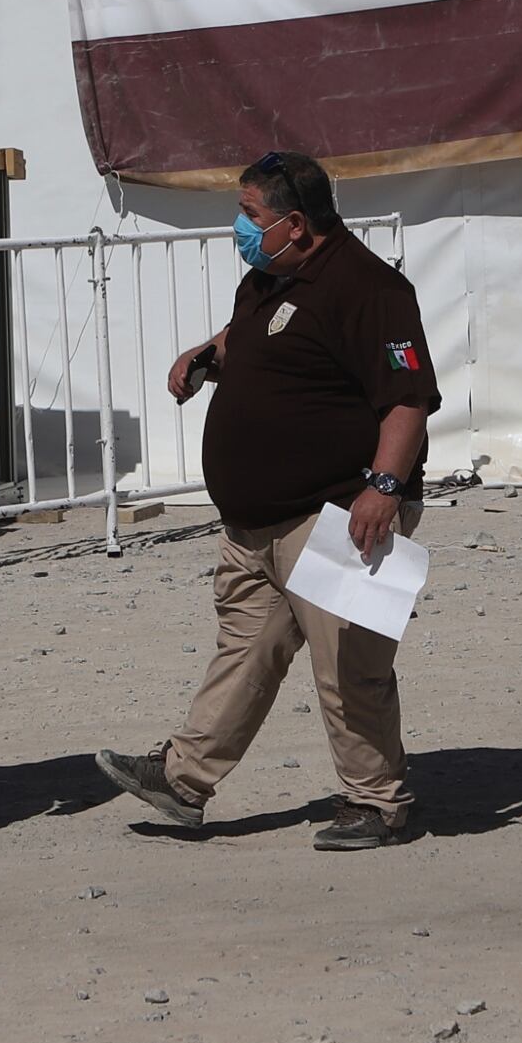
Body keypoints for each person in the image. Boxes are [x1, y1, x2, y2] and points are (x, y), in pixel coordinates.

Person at [94, 150, 443, 851]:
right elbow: (254, 339)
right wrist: (205, 356)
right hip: (255, 523)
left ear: (296, 223)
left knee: (349, 665)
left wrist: (383, 488)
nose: (241, 227)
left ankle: (376, 802)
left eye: (250, 214)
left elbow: (407, 398)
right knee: (243, 653)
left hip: (339, 515)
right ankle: (183, 780)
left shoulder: (370, 288)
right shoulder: (268, 277)